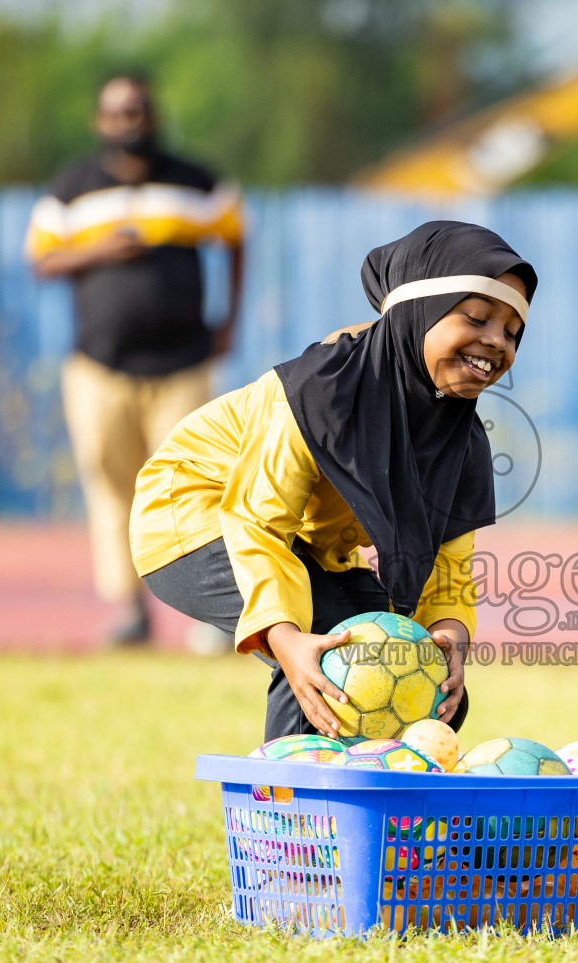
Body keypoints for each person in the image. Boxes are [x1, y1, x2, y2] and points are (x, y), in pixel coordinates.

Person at [128, 221, 535, 740]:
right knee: (332, 645)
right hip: (192, 513)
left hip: (298, 544)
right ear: (418, 313)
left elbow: (449, 563)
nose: (495, 341)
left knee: (429, 683)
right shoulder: (323, 392)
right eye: (477, 317)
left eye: (512, 331)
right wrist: (285, 637)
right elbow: (256, 521)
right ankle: (292, 807)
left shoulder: (459, 437)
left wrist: (448, 634)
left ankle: (391, 811)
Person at [25, 73, 244, 647]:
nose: (129, 122)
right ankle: (130, 612)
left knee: (193, 486)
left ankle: (211, 617)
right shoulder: (71, 188)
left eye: (138, 111)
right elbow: (40, 260)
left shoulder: (196, 182)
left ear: (155, 116)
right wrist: (97, 250)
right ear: (101, 122)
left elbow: (236, 237)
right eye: (117, 113)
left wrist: (231, 319)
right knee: (110, 484)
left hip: (183, 363)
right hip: (99, 367)